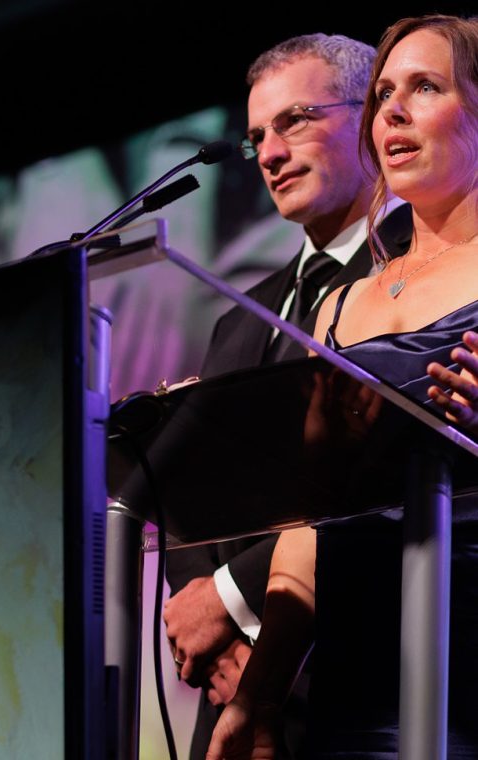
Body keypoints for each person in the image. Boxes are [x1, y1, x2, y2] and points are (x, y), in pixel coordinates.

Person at [206, 14, 478, 760]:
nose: (389, 111)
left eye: (424, 87)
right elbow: (307, 526)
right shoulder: (341, 306)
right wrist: (259, 697)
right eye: (383, 93)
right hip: (353, 694)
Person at [163, 33, 412, 760]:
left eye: (294, 120)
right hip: (236, 713)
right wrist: (216, 645)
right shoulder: (238, 317)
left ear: (371, 116)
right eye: (255, 137)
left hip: (363, 686)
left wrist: (233, 605)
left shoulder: (417, 278)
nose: (269, 153)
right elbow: (192, 495)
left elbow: (374, 478)